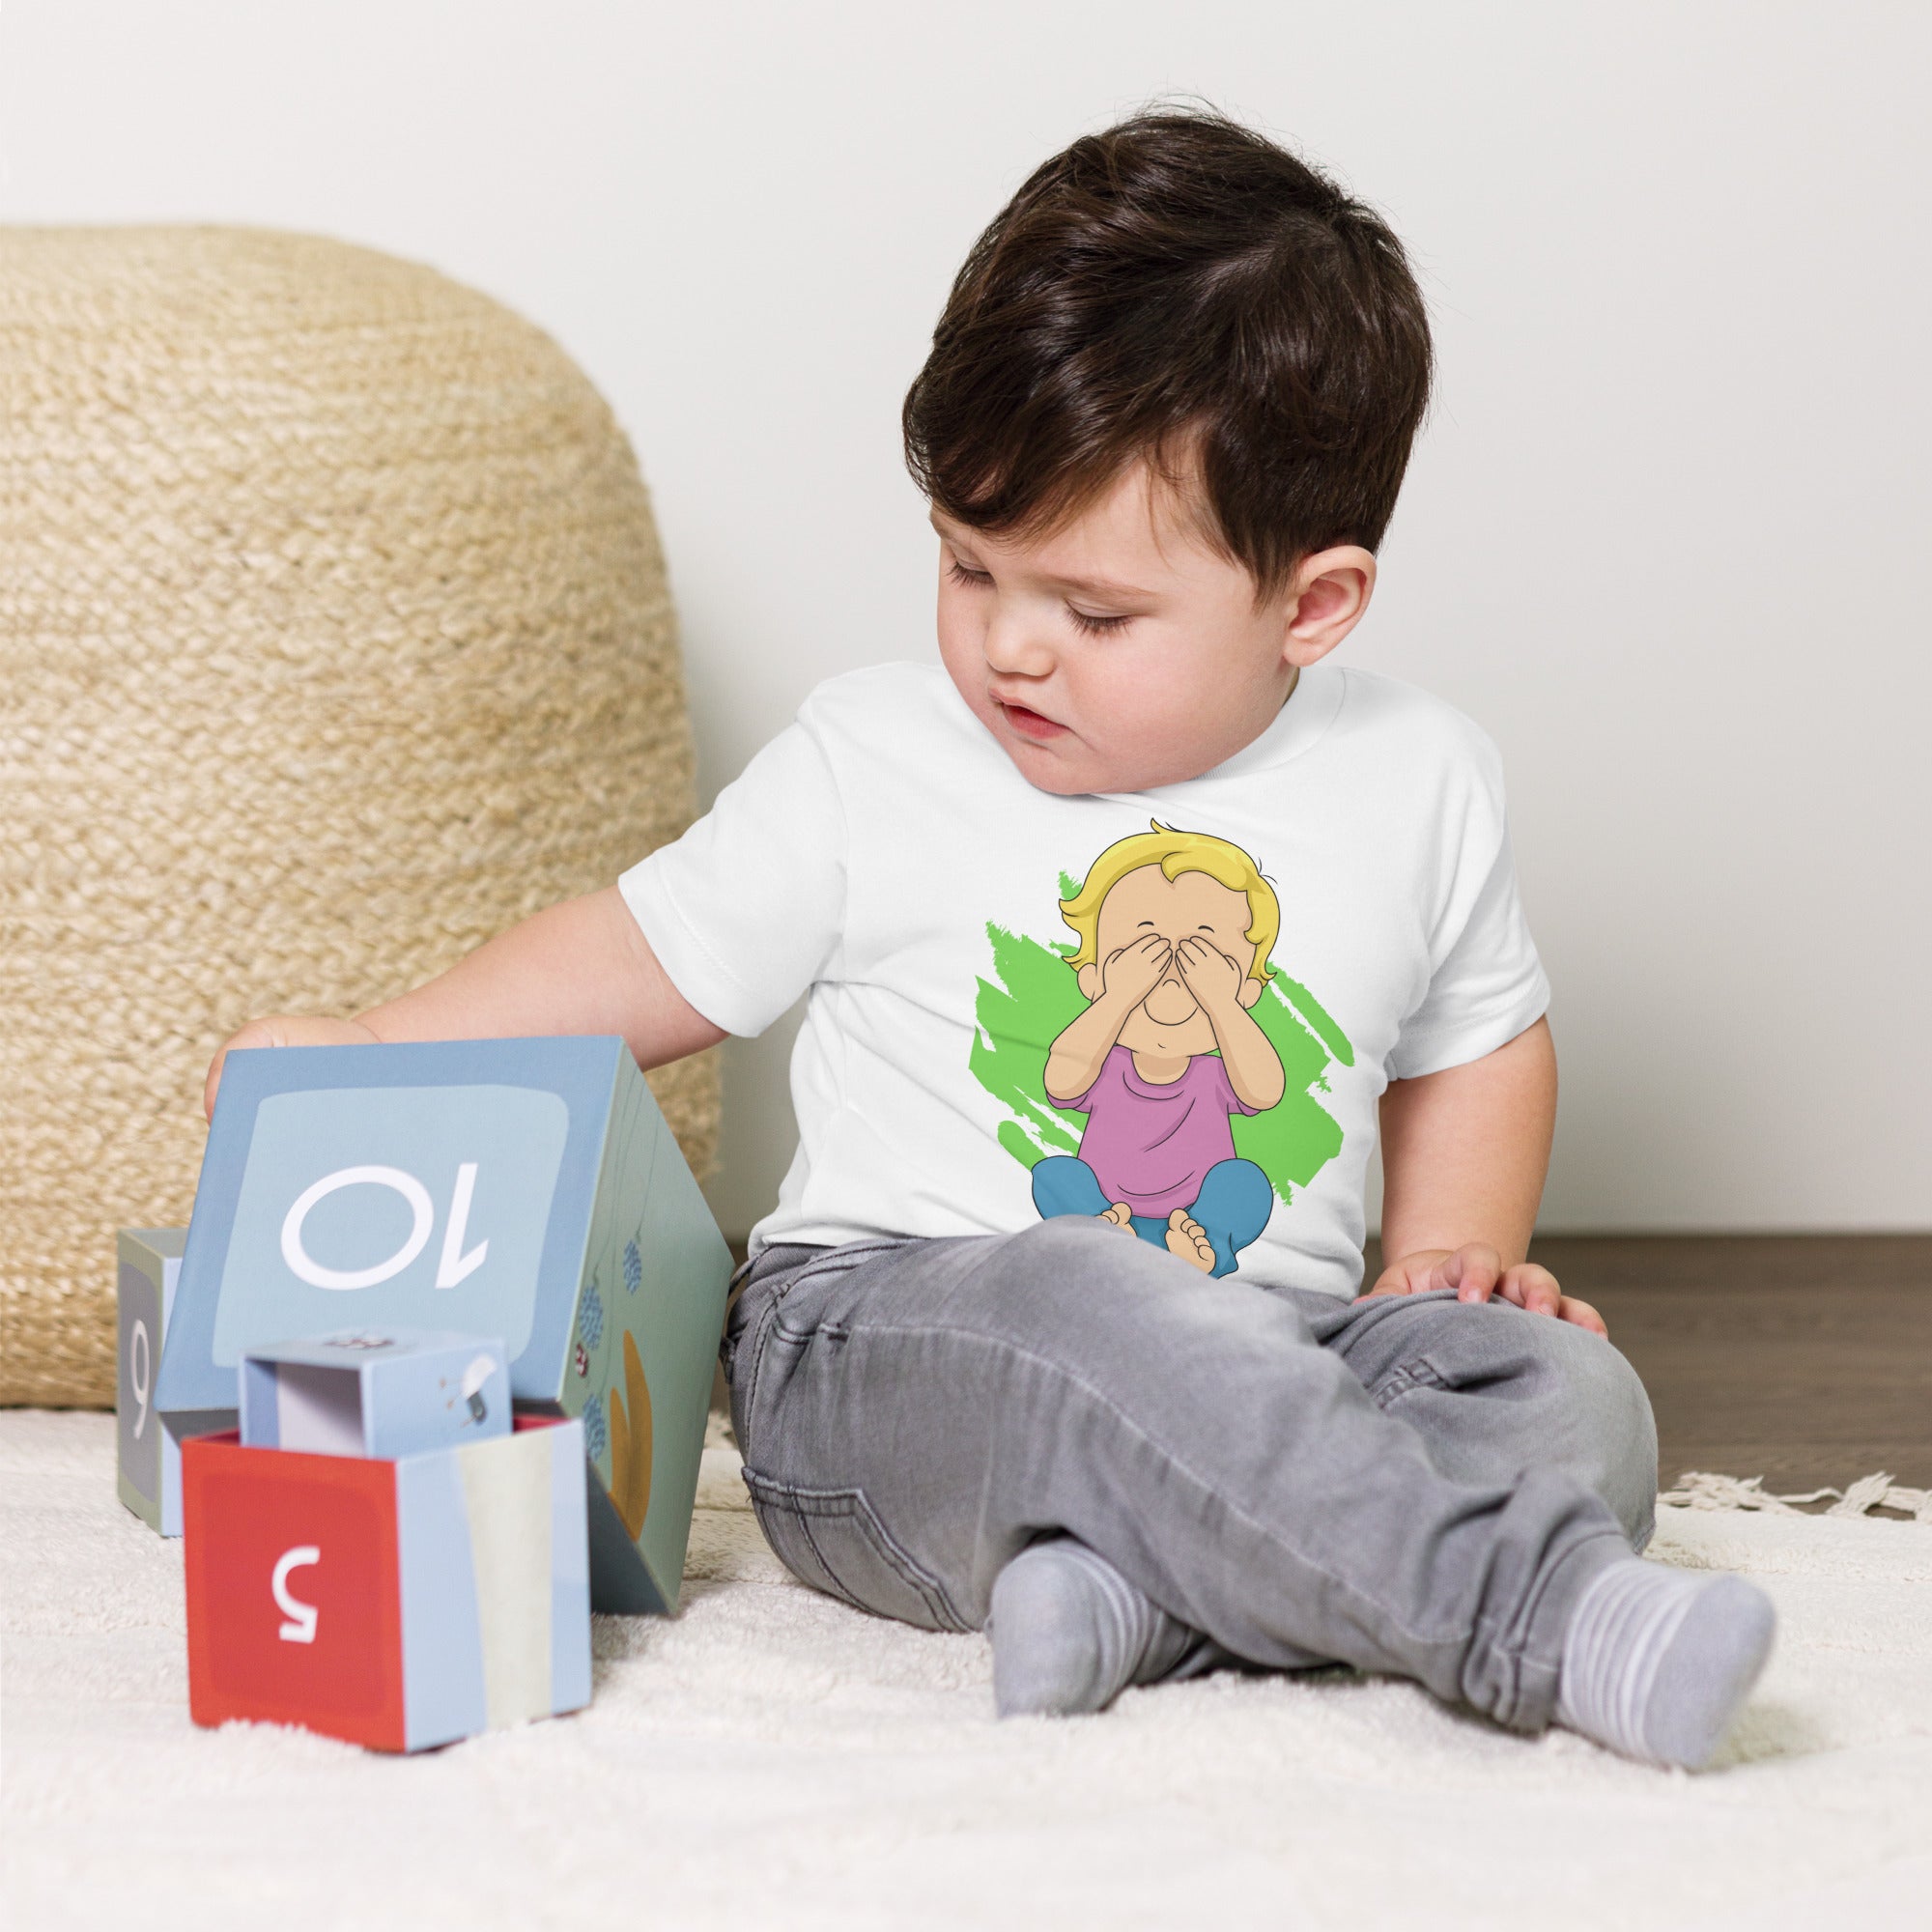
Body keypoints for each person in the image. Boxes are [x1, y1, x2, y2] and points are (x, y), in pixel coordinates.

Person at [208, 109, 1775, 1768]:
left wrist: (1441, 1261)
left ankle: (1141, 1605)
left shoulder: (1420, 776)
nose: (1010, 648)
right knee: (1088, 1301)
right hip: (891, 1349)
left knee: (1571, 1400)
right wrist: (375, 1053)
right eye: (968, 566)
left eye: (1094, 613)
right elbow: (638, 956)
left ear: (1311, 605)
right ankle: (1519, 1617)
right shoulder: (869, 759)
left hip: (1285, 1347)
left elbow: (1478, 1035)